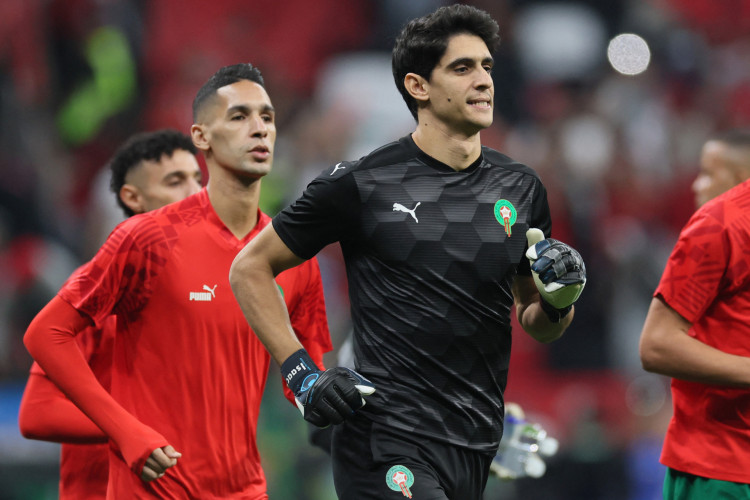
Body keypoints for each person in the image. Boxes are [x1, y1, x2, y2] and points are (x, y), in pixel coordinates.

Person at [229, 5, 586, 499]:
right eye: (462, 68)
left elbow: (535, 320)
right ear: (418, 86)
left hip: (471, 442)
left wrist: (559, 301)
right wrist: (302, 375)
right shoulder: (361, 182)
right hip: (382, 436)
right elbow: (249, 268)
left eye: (486, 66)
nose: (483, 80)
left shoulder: (522, 188)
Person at [24, 63, 332, 498]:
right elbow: (45, 334)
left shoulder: (294, 258)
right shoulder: (146, 239)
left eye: (267, 116)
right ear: (201, 137)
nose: (259, 128)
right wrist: (124, 430)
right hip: (153, 489)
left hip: (245, 490)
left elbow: (302, 381)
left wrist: (343, 402)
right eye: (240, 116)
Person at [18, 129, 202, 499]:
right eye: (175, 181)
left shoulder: (210, 288)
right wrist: (129, 428)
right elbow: (36, 414)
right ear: (133, 198)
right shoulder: (100, 291)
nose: (196, 194)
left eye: (198, 179)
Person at [639, 129, 750, 498]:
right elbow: (657, 345)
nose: (695, 185)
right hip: (723, 470)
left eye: (706, 173)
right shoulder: (720, 224)